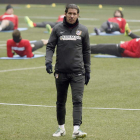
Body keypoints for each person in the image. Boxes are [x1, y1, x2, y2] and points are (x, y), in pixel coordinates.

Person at [45, 4, 90, 139]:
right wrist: (48, 61)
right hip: (61, 72)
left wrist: (88, 70)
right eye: (69, 13)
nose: (72, 16)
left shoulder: (83, 30)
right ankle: (61, 128)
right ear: (65, 13)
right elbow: (50, 46)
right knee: (60, 101)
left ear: (78, 15)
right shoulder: (57, 29)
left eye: (74, 14)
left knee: (77, 100)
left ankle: (76, 129)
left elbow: (87, 51)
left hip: (78, 72)